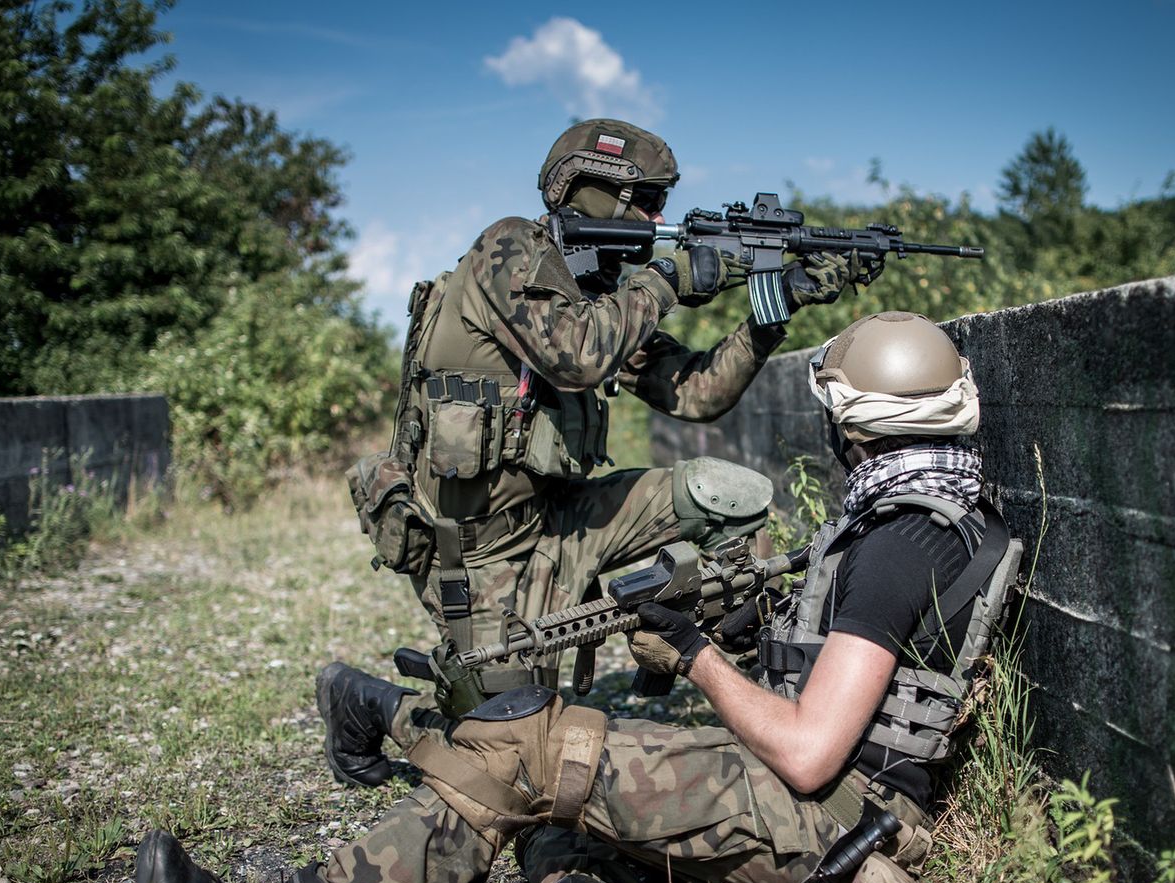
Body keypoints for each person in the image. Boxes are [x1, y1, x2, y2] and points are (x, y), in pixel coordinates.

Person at [136, 311, 1021, 883]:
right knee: (561, 781)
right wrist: (749, 632)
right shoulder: (937, 514)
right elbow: (853, 685)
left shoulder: (899, 543)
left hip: (833, 830)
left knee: (534, 748)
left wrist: (694, 653)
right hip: (834, 815)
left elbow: (807, 751)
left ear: (854, 429)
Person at [345, 117, 880, 713]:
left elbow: (697, 393)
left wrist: (779, 302)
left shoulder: (593, 294)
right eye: (647, 202)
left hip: (563, 519)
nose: (657, 221)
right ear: (594, 191)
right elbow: (576, 357)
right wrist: (669, 278)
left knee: (727, 495)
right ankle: (373, 707)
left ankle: (772, 694)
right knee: (509, 744)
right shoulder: (509, 250)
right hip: (480, 554)